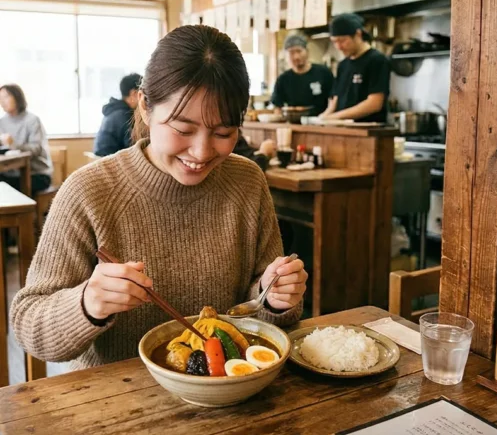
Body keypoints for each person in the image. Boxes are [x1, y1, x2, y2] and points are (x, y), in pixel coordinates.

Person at [11, 25, 308, 370]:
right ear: (146, 107)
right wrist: (87, 303)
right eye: (183, 129)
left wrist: (275, 298)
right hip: (117, 403)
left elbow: (264, 311)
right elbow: (29, 325)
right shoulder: (89, 191)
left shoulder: (246, 180)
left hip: (227, 394)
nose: (201, 151)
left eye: (223, 132)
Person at [320, 13, 390, 123]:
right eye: (334, 41)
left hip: (368, 131)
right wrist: (322, 118)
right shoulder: (342, 65)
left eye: (342, 40)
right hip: (344, 131)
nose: (339, 47)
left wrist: (335, 117)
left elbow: (374, 103)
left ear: (358, 34)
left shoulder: (376, 60)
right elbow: (335, 100)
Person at [0, 84, 53, 194]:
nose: (2, 101)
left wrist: (13, 144)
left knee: (13, 189)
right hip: (11, 173)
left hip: (37, 173)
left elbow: (36, 149)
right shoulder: (2, 122)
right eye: (0, 98)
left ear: (17, 97)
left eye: (6, 97)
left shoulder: (32, 120)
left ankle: (26, 211)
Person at [270, 35, 333, 116]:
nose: (296, 56)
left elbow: (334, 100)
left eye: (299, 51)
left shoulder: (324, 73)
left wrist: (325, 117)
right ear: (286, 56)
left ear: (307, 51)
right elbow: (277, 106)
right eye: (291, 52)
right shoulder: (283, 79)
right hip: (293, 123)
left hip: (321, 121)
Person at [94, 73, 141, 156]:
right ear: (134, 94)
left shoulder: (114, 110)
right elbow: (132, 147)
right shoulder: (124, 115)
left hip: (102, 159)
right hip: (111, 162)